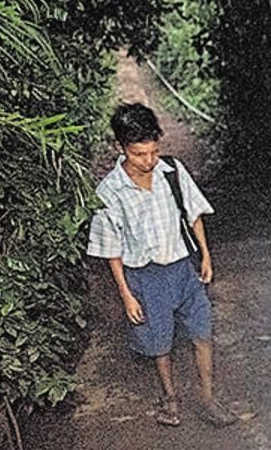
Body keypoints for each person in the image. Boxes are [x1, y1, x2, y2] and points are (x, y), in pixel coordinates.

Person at [87, 102, 234, 428]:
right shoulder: (110, 191)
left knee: (202, 332)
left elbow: (193, 214)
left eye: (154, 151)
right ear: (120, 147)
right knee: (159, 342)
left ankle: (208, 398)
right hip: (145, 277)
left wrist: (205, 254)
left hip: (184, 267)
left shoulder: (172, 172)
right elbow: (111, 249)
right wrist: (126, 294)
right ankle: (170, 399)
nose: (149, 161)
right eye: (139, 154)